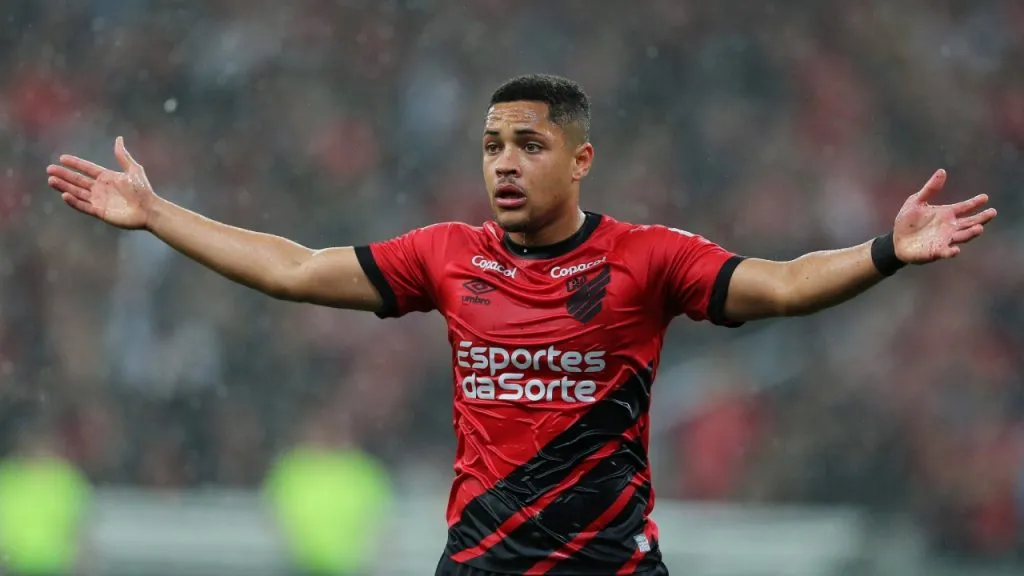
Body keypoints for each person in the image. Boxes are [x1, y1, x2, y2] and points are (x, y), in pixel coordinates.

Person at [45, 74, 996, 575]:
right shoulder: (446, 256)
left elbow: (782, 285)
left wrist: (885, 250)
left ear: (581, 160)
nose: (504, 162)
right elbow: (293, 269)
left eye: (529, 145)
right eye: (492, 144)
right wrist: (158, 215)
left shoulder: (646, 259)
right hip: (482, 567)